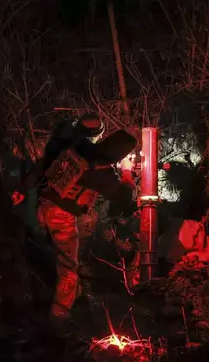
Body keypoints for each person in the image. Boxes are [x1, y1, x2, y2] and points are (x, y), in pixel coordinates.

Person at [9, 114, 137, 321]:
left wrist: (22, 191)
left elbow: (41, 166)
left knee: (44, 254)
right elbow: (123, 198)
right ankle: (59, 317)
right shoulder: (101, 170)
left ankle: (50, 300)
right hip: (61, 216)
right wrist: (127, 173)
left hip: (42, 206)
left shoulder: (73, 146)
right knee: (68, 267)